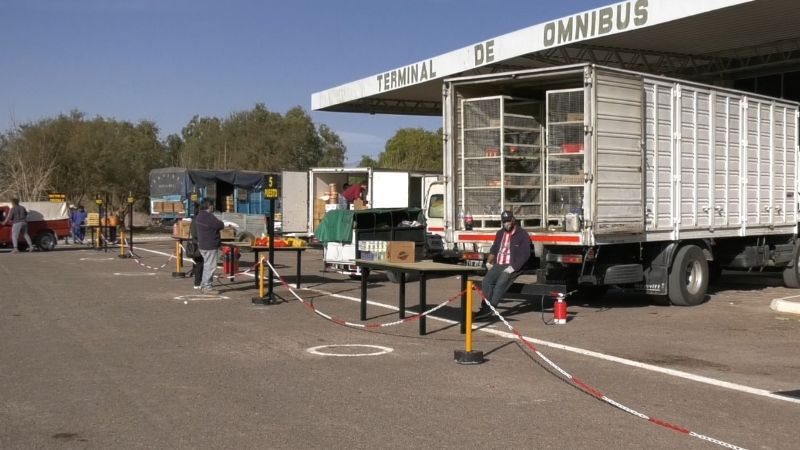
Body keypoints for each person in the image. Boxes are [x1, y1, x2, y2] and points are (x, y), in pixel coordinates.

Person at [475, 210, 531, 320]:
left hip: (512, 265)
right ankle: (485, 306)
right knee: (486, 281)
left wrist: (513, 268)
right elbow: (494, 249)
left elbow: (525, 254)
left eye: (508, 221)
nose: (506, 223)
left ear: (513, 220)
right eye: (504, 221)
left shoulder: (522, 234)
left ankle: (491, 308)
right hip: (499, 263)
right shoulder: (500, 233)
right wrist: (489, 262)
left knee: (501, 282)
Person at [194, 198, 224, 294]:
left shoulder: (199, 216)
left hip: (203, 245)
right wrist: (223, 223)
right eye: (212, 205)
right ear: (209, 206)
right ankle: (207, 287)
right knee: (210, 266)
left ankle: (205, 285)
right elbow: (219, 225)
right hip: (210, 245)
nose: (213, 207)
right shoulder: (209, 217)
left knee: (207, 265)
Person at [187, 203, 204, 290]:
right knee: (200, 264)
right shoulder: (199, 220)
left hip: (194, 244)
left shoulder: (194, 219)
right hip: (199, 244)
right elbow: (198, 233)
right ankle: (198, 283)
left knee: (197, 264)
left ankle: (198, 282)